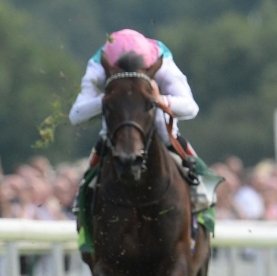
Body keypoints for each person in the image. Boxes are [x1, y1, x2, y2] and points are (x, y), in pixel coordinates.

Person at [68, 29, 215, 250]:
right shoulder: (98, 63)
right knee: (107, 134)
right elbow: (76, 115)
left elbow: (190, 107)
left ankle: (200, 188)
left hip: (153, 115)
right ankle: (85, 199)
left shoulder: (161, 59)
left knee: (164, 130)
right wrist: (114, 99)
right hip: (118, 121)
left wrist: (157, 99)